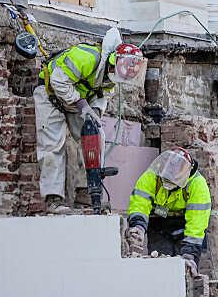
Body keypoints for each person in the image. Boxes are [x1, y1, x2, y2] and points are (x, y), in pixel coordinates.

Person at [34, 28, 146, 214]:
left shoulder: (111, 74)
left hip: (77, 100)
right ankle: (53, 198)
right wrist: (81, 104)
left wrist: (94, 111)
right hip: (50, 93)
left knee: (94, 137)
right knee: (52, 144)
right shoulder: (86, 58)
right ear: (113, 62)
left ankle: (87, 190)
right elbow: (58, 81)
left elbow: (103, 95)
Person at [124, 148, 212, 276]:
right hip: (159, 225)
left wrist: (190, 254)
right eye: (165, 179)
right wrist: (138, 227)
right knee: (159, 270)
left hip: (185, 226)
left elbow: (197, 223)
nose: (167, 183)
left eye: (172, 181)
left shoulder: (198, 185)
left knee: (185, 273)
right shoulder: (152, 175)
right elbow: (140, 203)